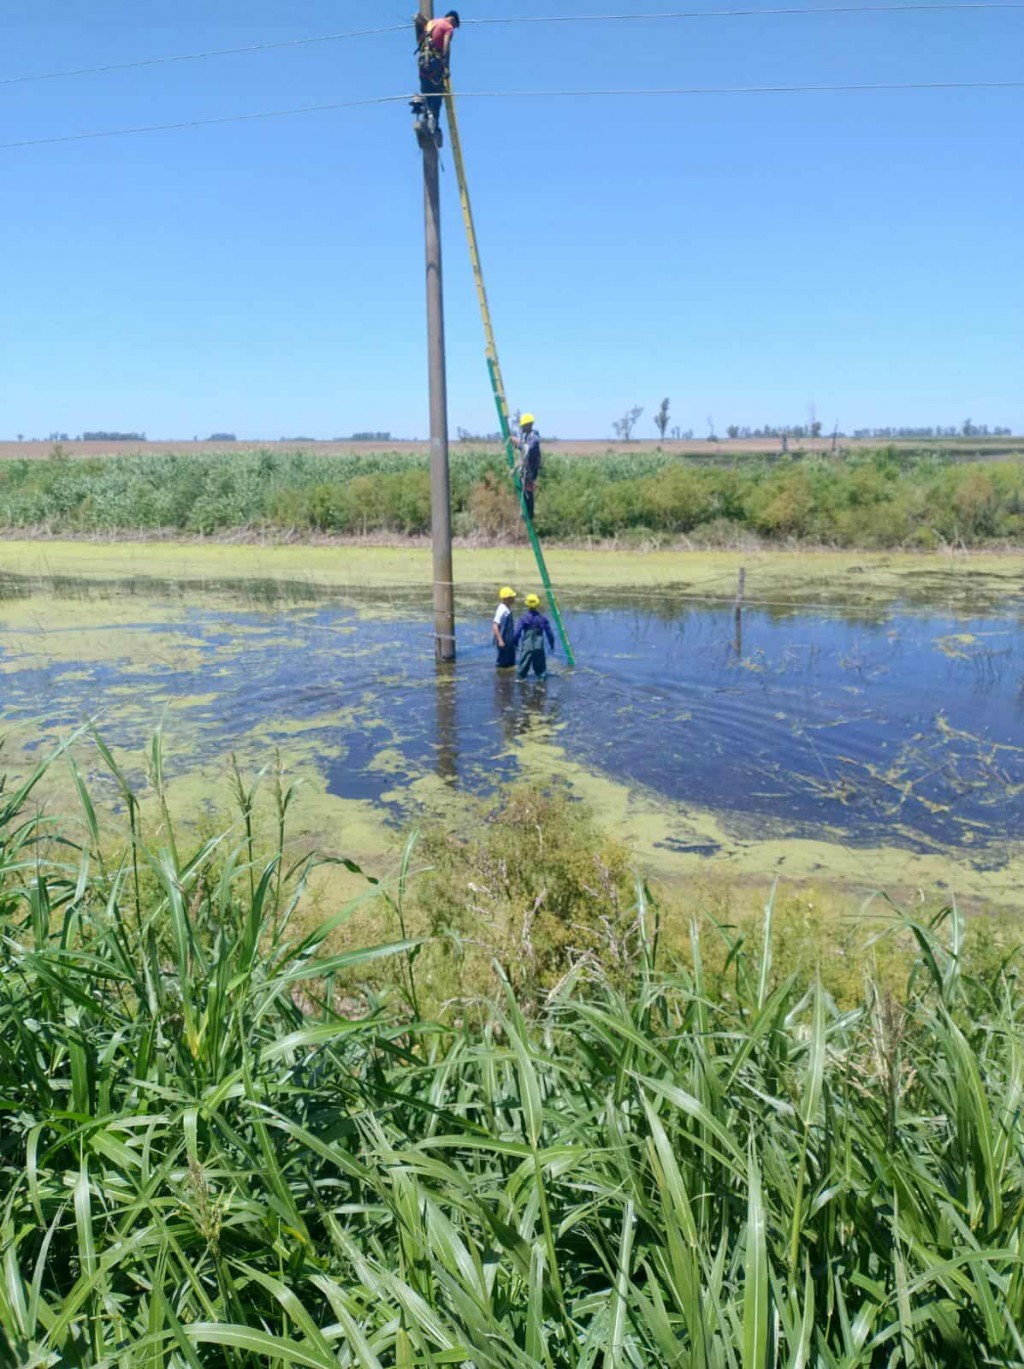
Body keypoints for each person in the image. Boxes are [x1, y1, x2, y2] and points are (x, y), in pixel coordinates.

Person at [414, 10, 460, 146]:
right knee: (437, 95)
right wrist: (446, 66)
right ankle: (433, 126)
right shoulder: (448, 27)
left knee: (427, 92)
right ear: (453, 20)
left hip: (423, 63)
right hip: (435, 64)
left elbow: (420, 41)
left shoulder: (430, 23)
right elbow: (446, 46)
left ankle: (426, 119)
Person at [514, 593, 556, 680]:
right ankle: (542, 687)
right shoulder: (542, 619)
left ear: (527, 604)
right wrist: (552, 644)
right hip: (539, 646)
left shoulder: (523, 618)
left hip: (527, 646)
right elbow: (549, 633)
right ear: (538, 604)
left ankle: (520, 685)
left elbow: (516, 633)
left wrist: (515, 643)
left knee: (523, 669)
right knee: (541, 671)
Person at [514, 413, 542, 521]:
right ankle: (525, 512)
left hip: (532, 470)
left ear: (529, 425)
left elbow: (526, 449)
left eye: (524, 426)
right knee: (524, 490)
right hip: (526, 468)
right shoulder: (526, 437)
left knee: (528, 491)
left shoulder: (534, 438)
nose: (522, 428)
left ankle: (529, 514)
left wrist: (518, 443)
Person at [492, 585, 517, 668]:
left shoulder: (507, 608)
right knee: (502, 662)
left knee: (510, 661)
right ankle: (501, 678)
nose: (513, 599)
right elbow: (495, 625)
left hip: (509, 639)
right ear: (506, 599)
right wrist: (500, 640)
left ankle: (509, 677)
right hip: (503, 638)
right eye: (511, 597)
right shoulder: (501, 609)